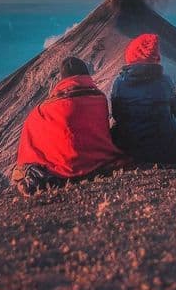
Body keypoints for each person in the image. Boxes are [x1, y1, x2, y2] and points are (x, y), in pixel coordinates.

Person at [13, 56, 126, 195]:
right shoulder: (100, 99)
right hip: (101, 161)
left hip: (65, 169)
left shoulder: (46, 109)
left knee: (21, 170)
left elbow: (31, 130)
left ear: (64, 79)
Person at [110, 33, 176, 163]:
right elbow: (175, 112)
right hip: (167, 149)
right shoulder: (166, 81)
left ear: (131, 55)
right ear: (155, 57)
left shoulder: (119, 83)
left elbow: (117, 115)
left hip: (130, 149)